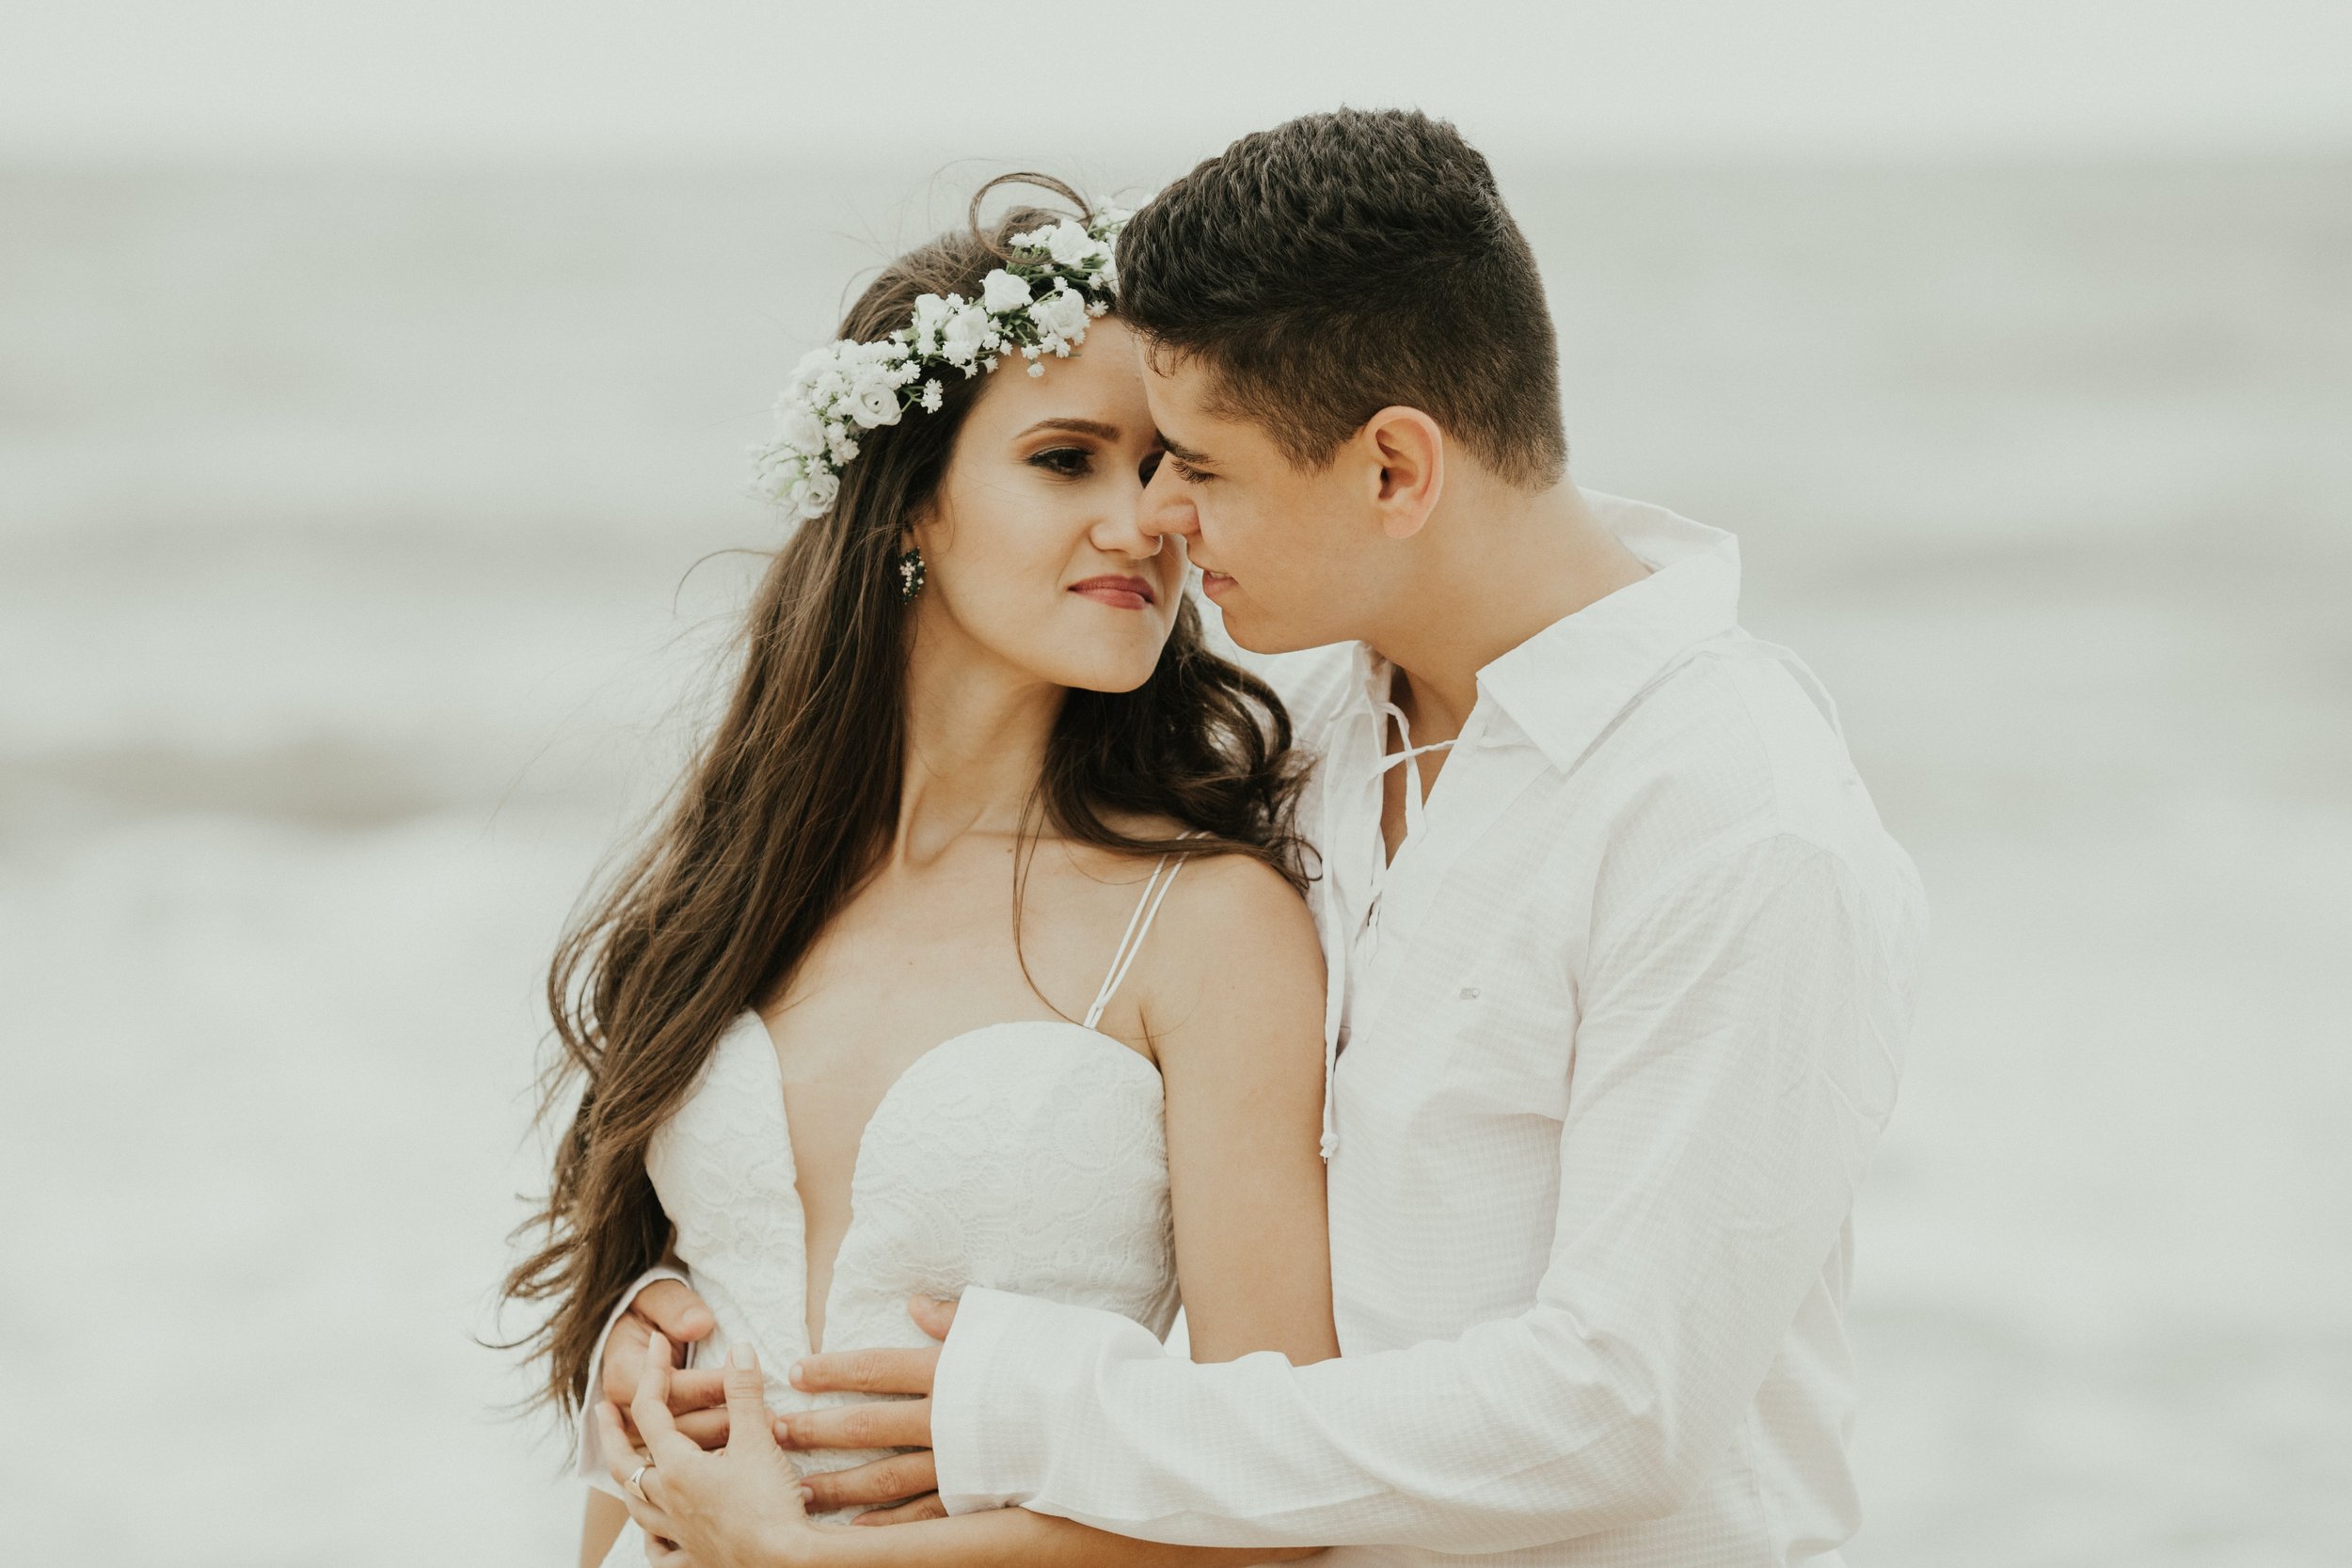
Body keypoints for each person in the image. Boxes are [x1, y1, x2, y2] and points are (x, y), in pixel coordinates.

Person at [598, 109, 1930, 1568]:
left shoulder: (1740, 824)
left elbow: (1618, 1412)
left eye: (1197, 467)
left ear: (1395, 473)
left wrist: (1022, 1422)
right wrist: (674, 1338)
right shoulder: (1307, 745)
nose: (1159, 519)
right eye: (1093, 461)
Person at [502, 177, 1345, 1568]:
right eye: (1067, 459)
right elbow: (674, 1410)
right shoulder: (736, 893)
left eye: (1167, 469)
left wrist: (815, 1564)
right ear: (911, 507)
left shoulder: (1208, 927)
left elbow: (1290, 1495)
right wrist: (631, 1364)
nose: (1144, 522)